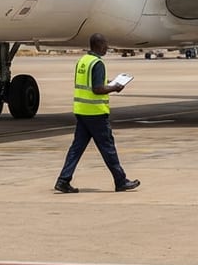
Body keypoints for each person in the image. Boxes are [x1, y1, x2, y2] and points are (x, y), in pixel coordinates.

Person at [54, 33, 140, 193]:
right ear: (98, 45)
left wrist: (109, 83)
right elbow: (97, 89)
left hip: (82, 111)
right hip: (96, 113)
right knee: (108, 148)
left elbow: (88, 83)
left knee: (76, 148)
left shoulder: (83, 61)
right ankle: (120, 181)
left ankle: (63, 180)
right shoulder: (98, 63)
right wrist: (115, 88)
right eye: (105, 44)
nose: (107, 47)